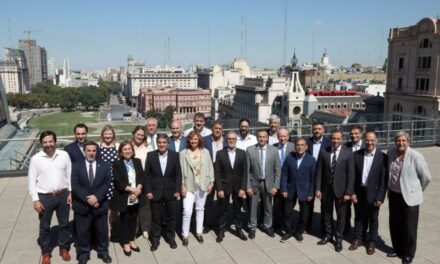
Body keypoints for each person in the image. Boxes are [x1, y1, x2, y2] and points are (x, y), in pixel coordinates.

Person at [386, 131, 431, 264]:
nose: (401, 143)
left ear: (408, 142)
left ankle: (408, 253)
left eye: (403, 140)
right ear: (395, 142)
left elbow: (426, 177)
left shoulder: (416, 156)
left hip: (410, 197)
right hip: (394, 194)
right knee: (395, 224)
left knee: (409, 227)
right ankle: (397, 249)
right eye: (398, 141)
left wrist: (416, 190)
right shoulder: (391, 153)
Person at [28, 131, 72, 264]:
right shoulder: (35, 159)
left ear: (55, 141)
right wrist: (35, 200)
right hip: (44, 197)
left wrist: (71, 192)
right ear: (41, 143)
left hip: (63, 194)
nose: (48, 144)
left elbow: (69, 174)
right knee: (44, 227)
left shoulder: (64, 155)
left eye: (50, 141)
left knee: (64, 224)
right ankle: (46, 252)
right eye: (45, 142)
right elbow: (31, 181)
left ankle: (63, 248)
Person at [71, 141, 112, 264]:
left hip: (100, 205)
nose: (91, 153)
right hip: (82, 205)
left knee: (102, 231)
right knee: (82, 231)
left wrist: (97, 197)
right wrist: (89, 199)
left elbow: (107, 183)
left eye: (94, 150)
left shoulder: (104, 165)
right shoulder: (76, 165)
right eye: (88, 150)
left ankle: (103, 252)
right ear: (84, 151)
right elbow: (75, 185)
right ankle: (83, 253)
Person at [315, 129, 354, 252]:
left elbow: (351, 174)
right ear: (330, 139)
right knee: (326, 213)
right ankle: (328, 234)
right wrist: (318, 188)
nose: (335, 141)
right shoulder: (324, 151)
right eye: (333, 138)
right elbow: (319, 171)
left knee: (341, 215)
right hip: (326, 190)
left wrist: (348, 192)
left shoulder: (348, 153)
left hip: (341, 191)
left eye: (338, 138)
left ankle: (339, 238)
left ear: (342, 139)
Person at [349, 131, 387, 255]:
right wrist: (352, 192)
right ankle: (359, 238)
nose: (369, 142)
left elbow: (383, 180)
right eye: (367, 140)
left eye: (372, 140)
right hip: (359, 191)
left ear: (376, 141)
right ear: (364, 140)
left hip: (374, 193)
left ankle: (371, 241)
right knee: (359, 216)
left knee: (373, 218)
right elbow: (352, 176)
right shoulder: (356, 155)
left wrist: (381, 197)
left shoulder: (382, 157)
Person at [145, 134, 182, 251]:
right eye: (159, 142)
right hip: (155, 192)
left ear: (168, 143)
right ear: (156, 143)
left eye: (164, 142)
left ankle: (171, 238)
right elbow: (147, 175)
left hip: (171, 192)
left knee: (171, 217)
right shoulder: (150, 155)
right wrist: (149, 191)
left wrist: (177, 190)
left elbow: (178, 174)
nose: (161, 144)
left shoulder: (175, 156)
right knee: (156, 218)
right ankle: (155, 240)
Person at [180, 131, 214, 246]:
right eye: (191, 139)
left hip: (202, 185)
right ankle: (185, 235)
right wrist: (182, 185)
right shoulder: (183, 153)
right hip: (188, 186)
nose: (194, 141)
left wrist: (211, 182)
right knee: (187, 211)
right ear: (188, 140)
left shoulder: (205, 152)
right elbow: (180, 171)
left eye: (196, 139)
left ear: (199, 140)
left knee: (200, 209)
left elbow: (210, 168)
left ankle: (199, 232)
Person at [246, 129, 281, 239]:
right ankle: (252, 227)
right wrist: (248, 186)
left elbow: (277, 170)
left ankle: (267, 226)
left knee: (268, 206)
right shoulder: (250, 150)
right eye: (259, 137)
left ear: (267, 138)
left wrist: (276, 186)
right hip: (254, 183)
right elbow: (246, 170)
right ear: (257, 138)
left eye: (264, 137)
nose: (262, 139)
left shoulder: (274, 150)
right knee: (253, 206)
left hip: (268, 183)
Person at [280, 137, 316, 243]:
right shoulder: (290, 157)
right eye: (297, 145)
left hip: (304, 191)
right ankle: (289, 231)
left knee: (304, 215)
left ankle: (299, 232)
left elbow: (312, 178)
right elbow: (284, 173)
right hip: (290, 190)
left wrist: (311, 192)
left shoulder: (311, 159)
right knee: (286, 212)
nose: (299, 147)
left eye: (302, 145)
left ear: (306, 147)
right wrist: (283, 188)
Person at [112, 141, 144, 256]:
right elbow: (118, 182)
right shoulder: (117, 163)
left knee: (133, 220)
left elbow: (141, 177)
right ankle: (125, 242)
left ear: (132, 150)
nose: (127, 151)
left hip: (136, 196)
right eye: (124, 149)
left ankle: (132, 240)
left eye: (129, 149)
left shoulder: (137, 161)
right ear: (121, 152)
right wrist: (132, 190)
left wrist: (137, 191)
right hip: (124, 196)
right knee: (125, 220)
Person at [214, 131, 248, 242]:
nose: (231, 140)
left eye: (233, 138)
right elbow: (217, 173)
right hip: (224, 187)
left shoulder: (242, 153)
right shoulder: (220, 154)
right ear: (226, 140)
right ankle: (221, 230)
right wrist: (219, 189)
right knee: (222, 210)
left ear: (236, 140)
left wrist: (243, 187)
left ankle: (238, 229)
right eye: (229, 138)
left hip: (238, 187)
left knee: (237, 209)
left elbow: (245, 172)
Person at [306, 121, 330, 234]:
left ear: (323, 130)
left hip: (324, 177)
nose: (317, 131)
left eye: (319, 129)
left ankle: (324, 227)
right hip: (309, 176)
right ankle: (308, 225)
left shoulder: (329, 142)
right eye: (315, 128)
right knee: (308, 202)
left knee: (324, 204)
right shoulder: (307, 142)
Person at [202, 120, 226, 233]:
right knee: (208, 201)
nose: (217, 130)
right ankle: (208, 224)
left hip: (222, 176)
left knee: (222, 201)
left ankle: (220, 224)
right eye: (216, 128)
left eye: (220, 129)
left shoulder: (226, 141)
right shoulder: (205, 140)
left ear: (222, 130)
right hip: (208, 175)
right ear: (212, 129)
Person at [130, 125, 153, 239]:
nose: (139, 136)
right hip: (132, 181)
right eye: (138, 134)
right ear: (133, 134)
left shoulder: (148, 147)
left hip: (145, 179)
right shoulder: (129, 146)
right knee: (133, 206)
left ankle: (145, 228)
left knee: (145, 206)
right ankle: (134, 229)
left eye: (142, 135)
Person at [272, 128, 295, 231]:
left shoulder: (293, 147)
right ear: (277, 137)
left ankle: (287, 225)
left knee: (288, 205)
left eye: (284, 136)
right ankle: (277, 224)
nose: (282, 138)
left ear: (288, 137)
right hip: (276, 180)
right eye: (280, 136)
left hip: (289, 181)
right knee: (277, 204)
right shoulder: (273, 148)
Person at [344, 124, 365, 233]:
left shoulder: (367, 146)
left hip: (361, 185)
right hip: (347, 184)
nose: (354, 135)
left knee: (359, 211)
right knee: (346, 209)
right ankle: (346, 228)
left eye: (356, 133)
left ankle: (359, 233)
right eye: (352, 133)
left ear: (361, 134)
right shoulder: (345, 147)